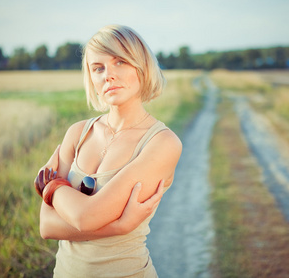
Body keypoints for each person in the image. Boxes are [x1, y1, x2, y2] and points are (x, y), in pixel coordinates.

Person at [35, 25, 182, 277]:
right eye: (98, 68)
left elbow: (85, 217)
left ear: (142, 66)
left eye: (120, 62)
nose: (108, 75)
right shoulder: (77, 133)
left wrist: (51, 187)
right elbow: (47, 226)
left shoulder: (162, 143)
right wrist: (119, 226)